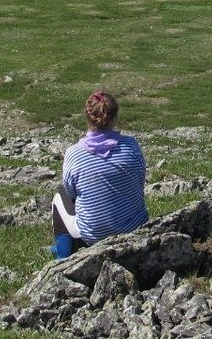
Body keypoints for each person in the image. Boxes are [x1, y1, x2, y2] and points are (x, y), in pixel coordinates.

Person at [51, 90, 148, 258]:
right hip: (136, 229)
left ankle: (62, 256)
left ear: (88, 116)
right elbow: (140, 180)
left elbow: (71, 192)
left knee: (60, 197)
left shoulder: (74, 153)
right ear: (115, 117)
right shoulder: (131, 146)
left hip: (94, 236)